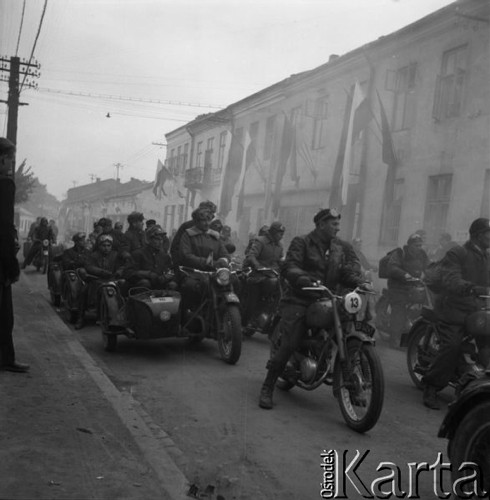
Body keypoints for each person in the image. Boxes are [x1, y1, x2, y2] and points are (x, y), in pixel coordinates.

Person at [258, 209, 367, 409]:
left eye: (338, 224)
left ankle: (350, 382)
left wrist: (360, 282)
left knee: (346, 332)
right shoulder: (302, 242)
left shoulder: (338, 247)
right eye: (333, 224)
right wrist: (304, 279)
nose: (338, 228)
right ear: (321, 224)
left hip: (328, 298)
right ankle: (268, 387)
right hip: (301, 298)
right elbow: (290, 266)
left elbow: (345, 270)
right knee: (289, 343)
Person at [422, 218, 490, 410]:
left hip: (476, 309)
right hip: (453, 308)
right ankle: (432, 386)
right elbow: (451, 279)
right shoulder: (457, 253)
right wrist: (472, 288)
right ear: (477, 235)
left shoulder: (486, 256)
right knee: (452, 346)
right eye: (488, 233)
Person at [0, 137, 29, 372]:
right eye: (10, 158)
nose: (11, 163)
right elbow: (4, 228)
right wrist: (12, 267)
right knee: (4, 316)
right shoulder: (5, 185)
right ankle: (6, 359)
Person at [178, 207, 229, 314]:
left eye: (209, 220)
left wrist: (224, 260)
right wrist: (208, 263)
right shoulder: (188, 235)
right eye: (203, 220)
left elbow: (224, 253)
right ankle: (189, 316)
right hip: (192, 272)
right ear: (196, 221)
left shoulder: (215, 236)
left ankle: (227, 312)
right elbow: (186, 256)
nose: (207, 223)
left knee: (233, 281)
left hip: (214, 273)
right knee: (192, 288)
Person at [384, 233, 429, 345]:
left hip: (414, 286)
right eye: (416, 245)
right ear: (409, 245)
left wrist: (435, 275)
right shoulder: (400, 253)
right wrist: (405, 275)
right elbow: (392, 267)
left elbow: (429, 267)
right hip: (398, 286)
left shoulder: (422, 254)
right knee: (399, 309)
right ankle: (394, 338)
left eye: (420, 245)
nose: (419, 248)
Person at [75, 234, 125, 330]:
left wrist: (119, 271)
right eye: (104, 245)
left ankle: (122, 314)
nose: (106, 248)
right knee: (83, 292)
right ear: (99, 246)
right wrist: (102, 272)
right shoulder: (93, 255)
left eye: (108, 245)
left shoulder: (116, 255)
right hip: (96, 280)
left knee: (125, 288)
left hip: (112, 280)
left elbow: (123, 265)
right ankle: (80, 318)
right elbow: (89, 266)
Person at [242, 221, 285, 330]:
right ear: (273, 232)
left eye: (282, 233)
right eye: (280, 233)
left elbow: (280, 260)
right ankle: (244, 323)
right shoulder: (260, 241)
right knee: (253, 300)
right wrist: (258, 266)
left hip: (273, 276)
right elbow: (251, 255)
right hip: (258, 275)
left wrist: (286, 265)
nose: (281, 236)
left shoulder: (280, 246)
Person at [124, 225, 175, 289]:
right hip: (141, 289)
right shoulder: (138, 254)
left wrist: (166, 277)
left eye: (161, 239)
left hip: (159, 287)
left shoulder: (165, 256)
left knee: (172, 285)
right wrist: (147, 274)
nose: (160, 242)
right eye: (157, 239)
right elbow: (128, 273)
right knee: (145, 283)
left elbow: (171, 271)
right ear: (149, 239)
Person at [170, 200, 217, 266]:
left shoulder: (211, 229)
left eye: (212, 214)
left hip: (206, 269)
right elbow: (175, 247)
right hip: (187, 268)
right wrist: (177, 266)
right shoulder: (187, 226)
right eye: (209, 213)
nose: (211, 217)